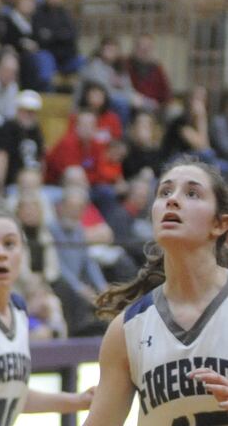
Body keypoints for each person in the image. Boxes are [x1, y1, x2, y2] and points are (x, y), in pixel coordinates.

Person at [85, 157, 228, 424]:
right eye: (165, 192)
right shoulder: (127, 329)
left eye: (192, 193)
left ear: (219, 225)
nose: (173, 200)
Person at [0, 204, 92, 425]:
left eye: (10, 244)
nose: (1, 254)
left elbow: (12, 395)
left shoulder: (19, 309)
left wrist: (79, 401)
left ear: (22, 253)